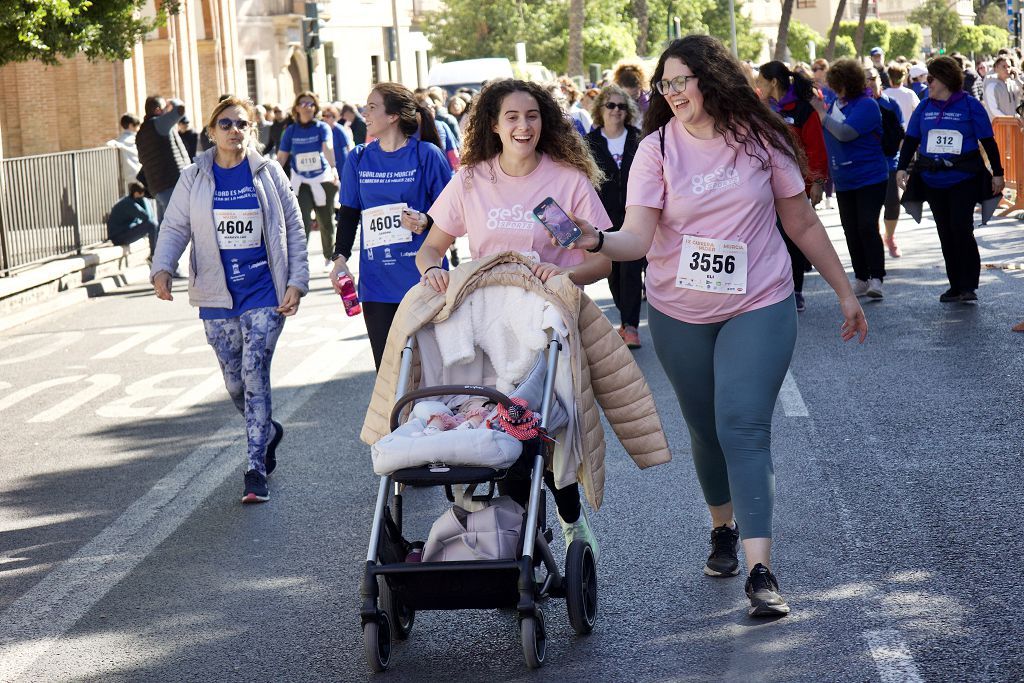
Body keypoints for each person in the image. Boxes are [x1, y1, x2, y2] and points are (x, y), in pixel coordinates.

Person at [559, 35, 867, 618]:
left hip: (760, 300)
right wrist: (595, 239)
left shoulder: (762, 140)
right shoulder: (657, 151)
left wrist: (844, 291)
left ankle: (760, 569)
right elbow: (638, 239)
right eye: (664, 85)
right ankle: (721, 527)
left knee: (742, 425)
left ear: (712, 79)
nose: (672, 93)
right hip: (679, 311)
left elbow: (800, 222)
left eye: (682, 80)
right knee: (705, 429)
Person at [413, 78, 613, 560]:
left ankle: (567, 520)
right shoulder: (471, 179)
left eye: (532, 116)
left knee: (537, 430)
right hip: (482, 326)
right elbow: (430, 247)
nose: (524, 126)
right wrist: (433, 271)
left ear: (544, 121)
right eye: (512, 117)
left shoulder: (567, 180)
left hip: (545, 326)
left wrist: (563, 274)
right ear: (494, 126)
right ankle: (505, 534)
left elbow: (603, 260)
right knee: (488, 425)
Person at [150, 96, 309, 503]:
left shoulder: (267, 172)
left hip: (264, 290)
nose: (233, 130)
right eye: (225, 123)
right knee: (235, 382)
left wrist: (297, 280)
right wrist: (162, 268)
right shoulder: (195, 176)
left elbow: (293, 227)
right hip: (216, 294)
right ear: (210, 131)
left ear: (251, 130)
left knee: (255, 373)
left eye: (241, 123)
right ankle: (268, 432)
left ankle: (255, 468)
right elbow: (174, 227)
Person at [328, 83, 451, 370]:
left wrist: (426, 220)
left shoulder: (427, 155)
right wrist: (339, 259)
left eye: (372, 107)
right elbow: (348, 213)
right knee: (388, 371)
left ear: (393, 116)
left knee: (429, 370)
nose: (364, 113)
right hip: (377, 283)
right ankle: (395, 418)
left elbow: (451, 213)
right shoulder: (358, 157)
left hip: (422, 278)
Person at [896, 56, 1005, 304]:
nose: (928, 83)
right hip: (932, 179)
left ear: (945, 79)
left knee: (960, 228)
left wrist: (998, 173)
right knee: (945, 231)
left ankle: (969, 285)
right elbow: (911, 139)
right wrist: (901, 168)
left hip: (963, 178)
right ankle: (955, 285)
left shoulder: (969, 105)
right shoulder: (924, 106)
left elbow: (988, 140)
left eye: (931, 78)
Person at [756, 61, 829, 313]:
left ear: (773, 82)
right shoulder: (760, 110)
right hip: (763, 186)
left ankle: (795, 290)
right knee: (768, 238)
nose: (757, 85)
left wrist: (817, 182)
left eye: (761, 80)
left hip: (795, 186)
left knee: (793, 238)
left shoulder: (802, 110)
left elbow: (816, 147)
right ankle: (772, 290)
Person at [814, 58, 890, 299]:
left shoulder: (867, 105)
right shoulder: (836, 103)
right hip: (844, 179)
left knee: (867, 225)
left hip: (870, 176)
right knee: (850, 229)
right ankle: (861, 277)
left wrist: (822, 115)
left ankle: (876, 277)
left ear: (844, 83)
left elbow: (846, 133)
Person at [585, 84, 645, 346]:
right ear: (601, 109)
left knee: (632, 269)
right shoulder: (590, 142)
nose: (616, 111)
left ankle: (631, 325)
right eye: (610, 105)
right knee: (613, 272)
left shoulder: (639, 137)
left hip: (636, 214)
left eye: (621, 106)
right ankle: (624, 317)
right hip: (603, 217)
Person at [277, 91, 340, 266]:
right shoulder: (290, 130)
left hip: (322, 179)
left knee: (326, 221)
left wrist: (334, 168)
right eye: (303, 103)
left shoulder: (322, 127)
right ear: (297, 108)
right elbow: (282, 156)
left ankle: (330, 256)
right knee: (301, 220)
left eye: (311, 104)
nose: (308, 107)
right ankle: (300, 260)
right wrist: (272, 174)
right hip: (300, 181)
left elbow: (327, 148)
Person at [868, 67, 906, 259]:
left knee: (892, 203)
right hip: (867, 165)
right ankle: (873, 243)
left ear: (879, 81)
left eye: (872, 78)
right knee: (870, 208)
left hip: (889, 163)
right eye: (864, 79)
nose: (868, 82)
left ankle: (889, 237)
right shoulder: (855, 105)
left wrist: (904, 165)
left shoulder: (892, 104)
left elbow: (901, 135)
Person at [135, 95, 189, 221]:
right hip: (172, 183)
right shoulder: (159, 123)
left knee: (164, 230)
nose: (167, 110)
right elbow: (180, 109)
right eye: (165, 107)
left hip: (157, 187)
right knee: (178, 226)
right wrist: (172, 101)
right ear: (158, 110)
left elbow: (142, 159)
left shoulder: (141, 132)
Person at [107, 181, 157, 260]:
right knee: (151, 225)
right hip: (119, 238)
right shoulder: (129, 204)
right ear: (136, 193)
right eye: (142, 195)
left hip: (119, 235)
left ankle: (154, 254)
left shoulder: (126, 201)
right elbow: (146, 217)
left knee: (150, 224)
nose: (142, 197)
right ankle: (154, 255)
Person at [106, 113, 142, 193]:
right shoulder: (135, 138)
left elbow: (113, 143)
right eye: (137, 125)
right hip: (139, 174)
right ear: (130, 126)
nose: (138, 128)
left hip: (130, 176)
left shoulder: (121, 139)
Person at [883, 63, 920, 129]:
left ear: (889, 78)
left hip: (888, 134)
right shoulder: (910, 93)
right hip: (907, 132)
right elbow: (919, 112)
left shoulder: (883, 94)